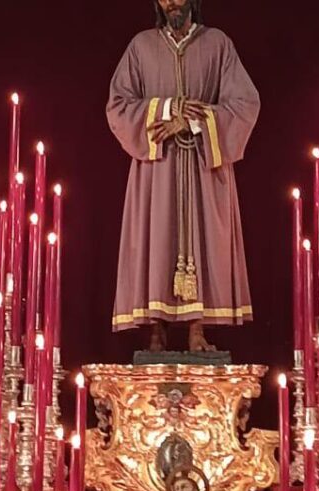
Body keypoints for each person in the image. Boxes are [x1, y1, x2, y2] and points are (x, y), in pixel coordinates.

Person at [107, 0, 260, 352]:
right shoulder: (141, 47)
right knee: (155, 234)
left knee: (205, 237)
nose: (172, 1)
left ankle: (197, 329)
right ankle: (156, 330)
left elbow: (245, 104)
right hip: (156, 164)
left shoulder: (218, 44)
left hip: (203, 162)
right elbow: (117, 105)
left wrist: (193, 121)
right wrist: (166, 109)